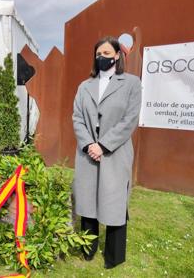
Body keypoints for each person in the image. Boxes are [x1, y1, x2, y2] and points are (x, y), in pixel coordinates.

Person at [72, 36, 142, 269]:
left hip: (116, 152)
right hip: (87, 153)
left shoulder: (131, 83)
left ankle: (114, 255)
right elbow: (77, 118)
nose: (101, 57)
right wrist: (89, 144)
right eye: (98, 53)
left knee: (114, 201)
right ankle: (87, 249)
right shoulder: (84, 86)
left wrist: (103, 145)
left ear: (117, 55)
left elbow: (129, 120)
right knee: (88, 199)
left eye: (106, 53)